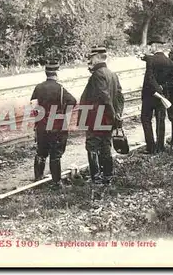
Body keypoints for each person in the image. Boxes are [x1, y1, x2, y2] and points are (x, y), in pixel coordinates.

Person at [79, 46, 124, 184]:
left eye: (91, 58)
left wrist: (112, 113)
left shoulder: (98, 75)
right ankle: (108, 175)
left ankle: (96, 177)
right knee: (105, 145)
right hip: (108, 117)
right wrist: (117, 114)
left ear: (98, 57)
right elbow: (120, 97)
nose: (90, 61)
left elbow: (104, 97)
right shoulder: (112, 74)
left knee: (92, 145)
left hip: (98, 116)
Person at [30, 59, 77, 189]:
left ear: (46, 72)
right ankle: (56, 182)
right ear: (56, 73)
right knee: (55, 155)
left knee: (41, 152)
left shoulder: (38, 87)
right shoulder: (61, 89)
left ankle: (38, 179)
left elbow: (33, 106)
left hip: (41, 127)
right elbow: (73, 101)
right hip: (56, 127)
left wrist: (41, 118)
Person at [139, 43, 173, 154]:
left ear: (155, 47)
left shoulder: (151, 60)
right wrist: (162, 87)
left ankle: (150, 147)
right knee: (160, 121)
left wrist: (157, 89)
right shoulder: (169, 61)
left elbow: (149, 78)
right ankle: (160, 147)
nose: (150, 48)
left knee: (146, 119)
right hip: (162, 97)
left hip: (149, 96)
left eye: (151, 46)